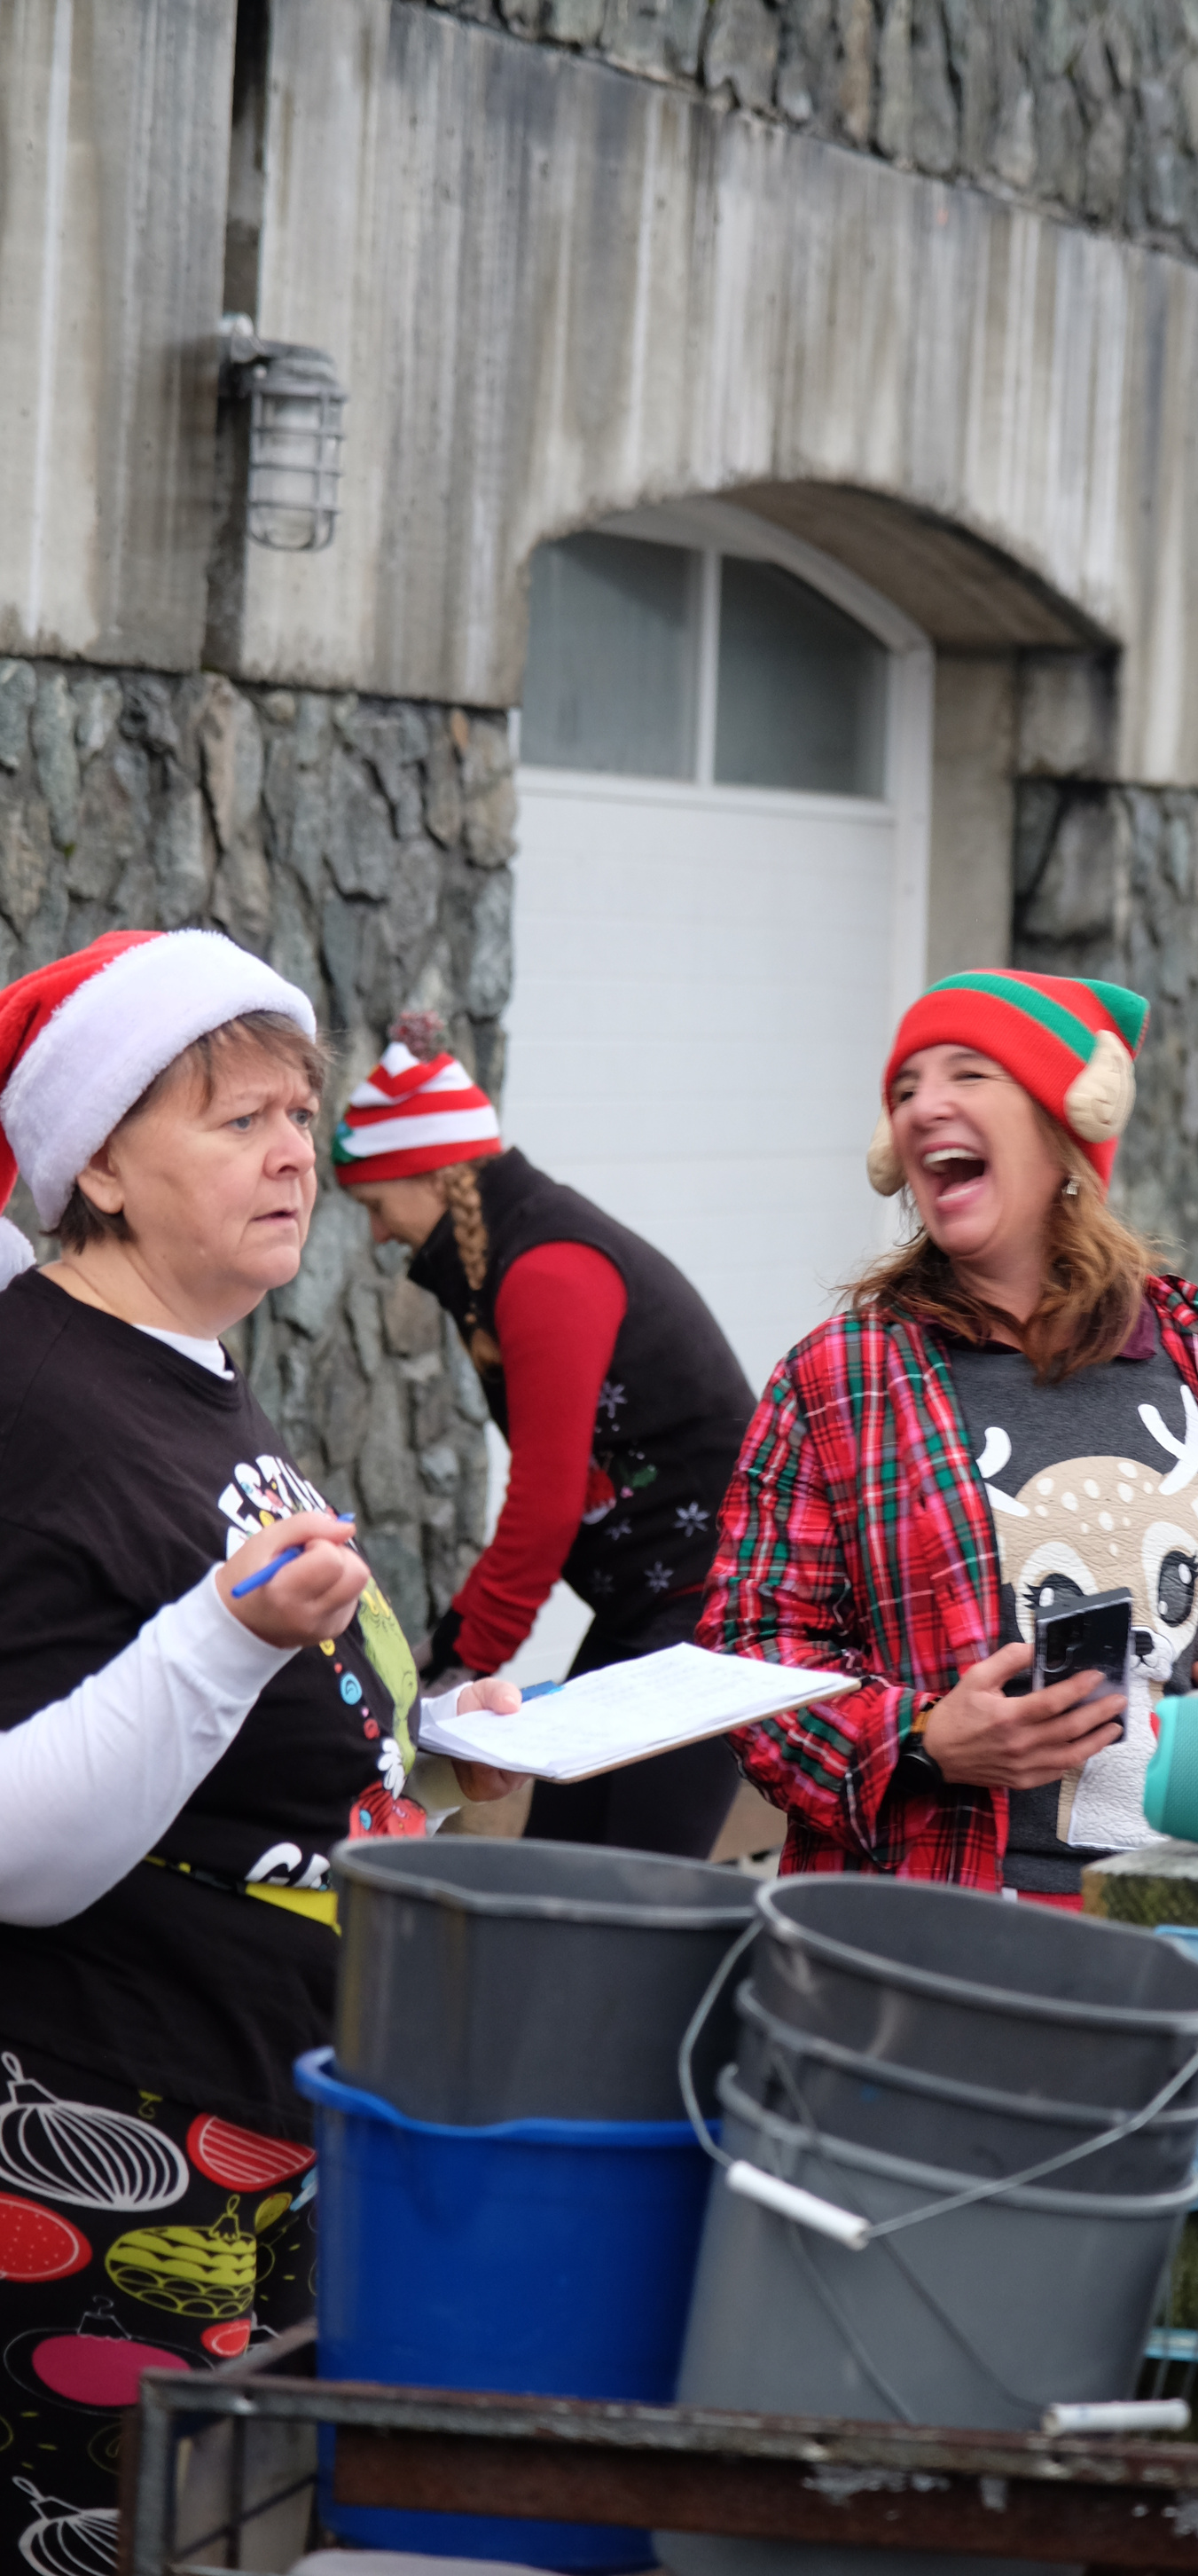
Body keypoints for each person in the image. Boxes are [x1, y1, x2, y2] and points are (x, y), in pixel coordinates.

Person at [0, 930, 521, 2570]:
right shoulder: (40, 1399)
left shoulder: (186, 1369)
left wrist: (426, 1753)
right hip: (97, 2135)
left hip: (255, 2104)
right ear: (96, 1166)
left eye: (300, 1112)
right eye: (235, 1120)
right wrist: (234, 1635)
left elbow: (241, 1727)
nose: (298, 1148)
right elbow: (20, 1844)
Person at [699, 969, 1198, 1898]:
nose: (925, 1105)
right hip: (931, 1927)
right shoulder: (838, 1381)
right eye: (904, 1089)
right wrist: (924, 1741)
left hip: (1196, 1911)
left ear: (1061, 1130)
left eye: (968, 1074)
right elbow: (746, 1658)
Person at [333, 1016, 757, 1857]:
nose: (378, 1234)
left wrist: (453, 1661)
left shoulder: (546, 1271)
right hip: (653, 1608)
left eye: (377, 1206)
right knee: (560, 1857)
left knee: (633, 1888)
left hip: (710, 1615)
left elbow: (545, 1505)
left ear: (430, 1175)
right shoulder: (505, 1257)